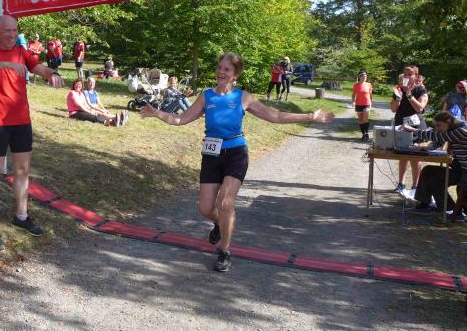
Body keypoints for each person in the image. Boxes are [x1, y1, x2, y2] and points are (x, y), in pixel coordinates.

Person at [141, 52, 333, 272]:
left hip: (236, 153)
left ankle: (224, 251)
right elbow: (180, 119)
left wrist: (310, 116)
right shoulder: (206, 97)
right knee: (205, 208)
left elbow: (276, 116)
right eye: (219, 68)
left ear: (235, 75)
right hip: (212, 154)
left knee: (225, 203)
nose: (221, 72)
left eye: (227, 69)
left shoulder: (243, 97)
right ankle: (219, 222)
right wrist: (157, 113)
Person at [0, 15, 63, 251]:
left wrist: (51, 74)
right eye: (7, 31)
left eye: (14, 30)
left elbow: (39, 67)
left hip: (22, 119)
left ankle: (21, 216)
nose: (12, 35)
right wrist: (6, 64)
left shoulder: (22, 51)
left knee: (22, 169)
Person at [402, 111, 467, 212]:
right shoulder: (454, 126)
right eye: (436, 126)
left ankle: (452, 210)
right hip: (462, 170)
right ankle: (425, 204)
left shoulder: (463, 130)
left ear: (448, 121)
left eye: (439, 125)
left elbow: (438, 136)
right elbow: (440, 138)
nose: (437, 128)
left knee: (435, 178)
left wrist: (412, 130)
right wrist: (427, 147)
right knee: (428, 170)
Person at [390, 65, 429, 198]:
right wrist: (398, 98)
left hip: (416, 127)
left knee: (415, 157)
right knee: (402, 155)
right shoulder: (399, 89)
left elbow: (420, 108)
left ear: (416, 76)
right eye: (405, 73)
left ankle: (415, 186)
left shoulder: (420, 90)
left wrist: (409, 95)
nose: (406, 76)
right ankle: (401, 184)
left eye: (410, 74)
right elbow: (393, 109)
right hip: (401, 124)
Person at [351, 71, 373, 142]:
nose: (365, 77)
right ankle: (364, 134)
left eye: (366, 76)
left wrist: (371, 103)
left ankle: (367, 134)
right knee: (360, 121)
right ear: (359, 77)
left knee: (365, 120)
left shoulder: (369, 85)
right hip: (358, 104)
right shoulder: (356, 85)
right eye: (363, 76)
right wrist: (353, 102)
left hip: (366, 104)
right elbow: (353, 95)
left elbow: (370, 95)